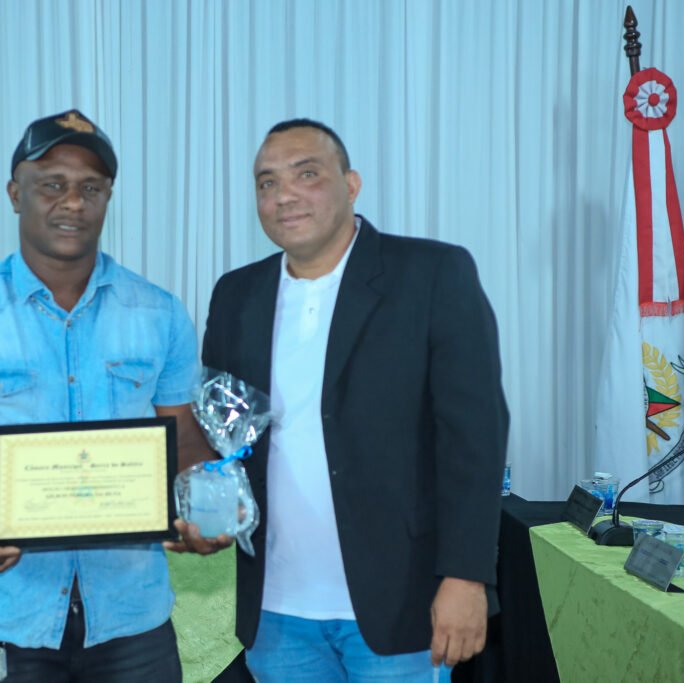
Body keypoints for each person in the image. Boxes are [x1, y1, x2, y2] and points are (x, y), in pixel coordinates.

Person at [0, 109, 208, 683]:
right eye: (52, 184)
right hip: (3, 616)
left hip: (130, 618)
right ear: (14, 193)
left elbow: (185, 440)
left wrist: (203, 503)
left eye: (91, 188)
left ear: (108, 198)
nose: (73, 202)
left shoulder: (159, 313)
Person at [173, 119, 509, 682]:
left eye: (306, 174)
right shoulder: (237, 294)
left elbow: (475, 438)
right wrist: (203, 510)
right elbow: (221, 430)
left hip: (401, 607)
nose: (284, 196)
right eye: (267, 183)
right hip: (276, 611)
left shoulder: (431, 274)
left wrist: (466, 576)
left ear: (351, 184)